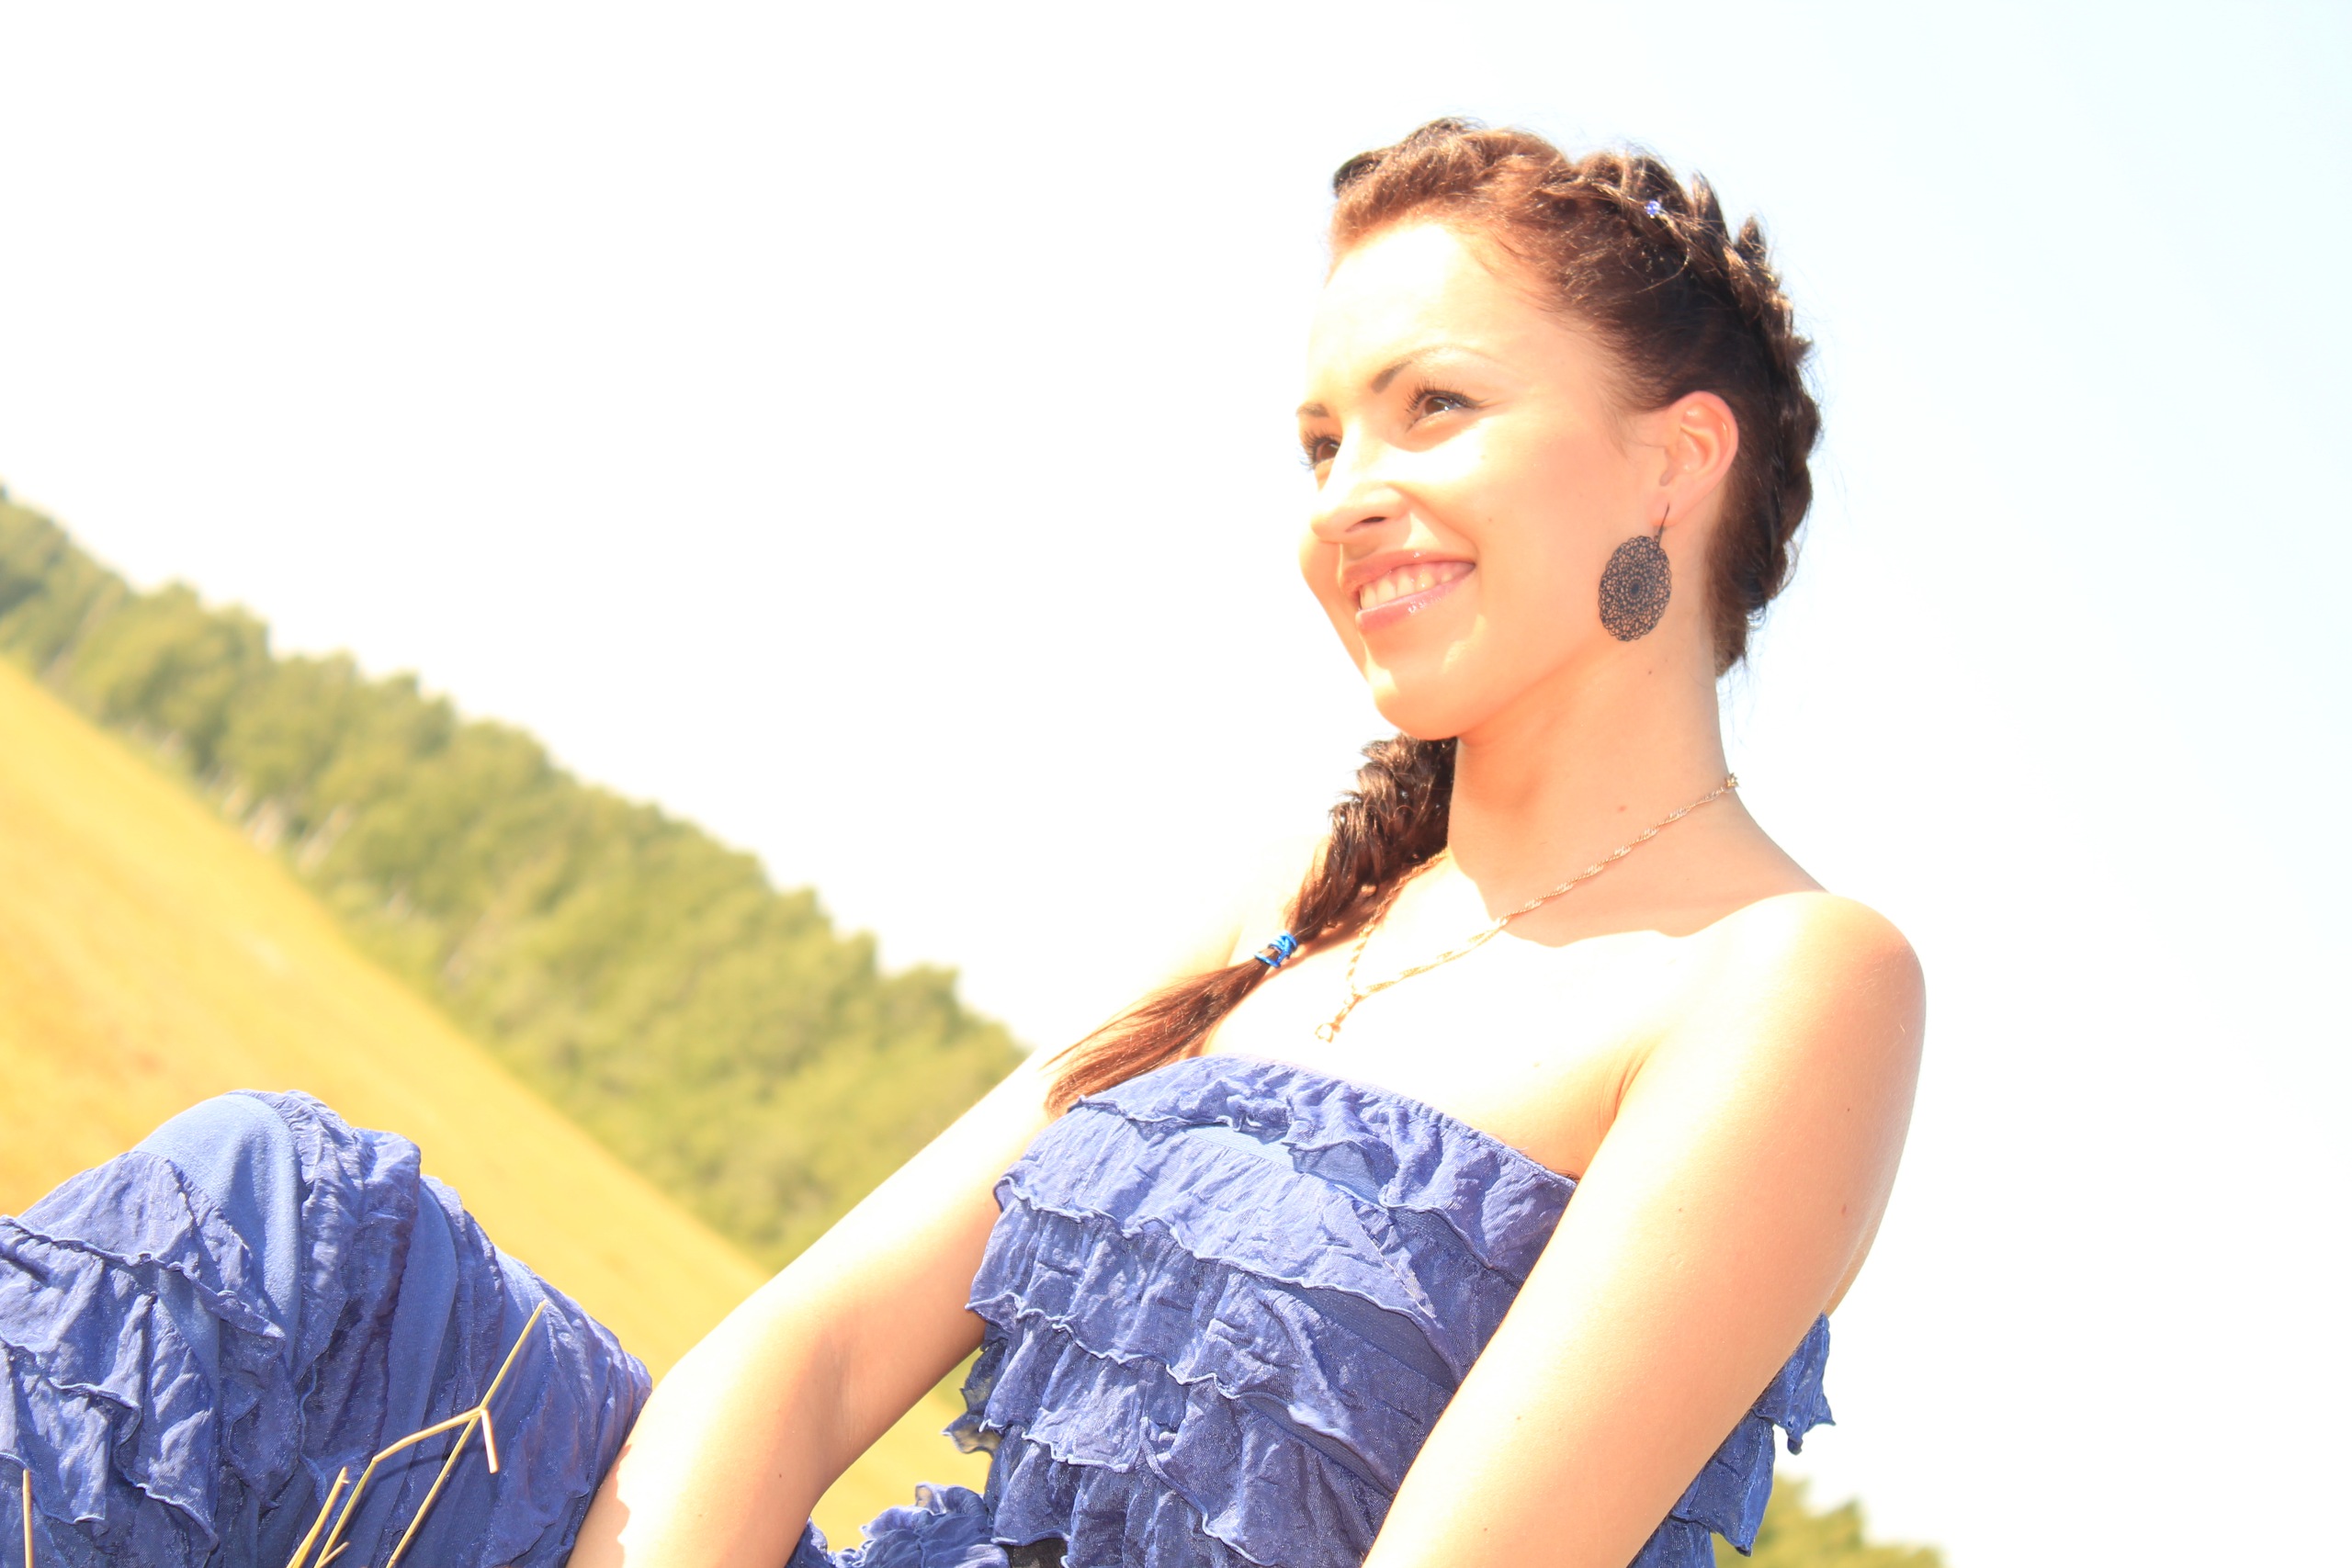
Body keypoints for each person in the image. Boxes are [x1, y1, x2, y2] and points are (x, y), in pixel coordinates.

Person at [1, 118, 1922, 1568]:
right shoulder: (1294, 898)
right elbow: (810, 1358)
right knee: (279, 1225)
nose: (1346, 495)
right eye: (1320, 441)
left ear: (1674, 460)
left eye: (1436, 406)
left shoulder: (1785, 982)